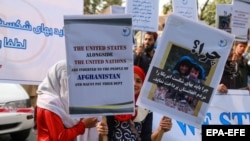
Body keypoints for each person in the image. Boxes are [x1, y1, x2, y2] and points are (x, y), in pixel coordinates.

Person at [97, 65, 172, 141]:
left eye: (138, 81)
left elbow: (146, 138)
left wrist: (160, 130)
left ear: (143, 85)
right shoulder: (113, 104)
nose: (134, 84)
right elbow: (106, 136)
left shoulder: (146, 108)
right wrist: (102, 130)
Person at [36, 60, 99, 141]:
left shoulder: (58, 100)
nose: (69, 88)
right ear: (57, 79)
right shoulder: (50, 104)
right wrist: (83, 125)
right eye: (66, 82)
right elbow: (59, 138)